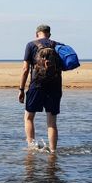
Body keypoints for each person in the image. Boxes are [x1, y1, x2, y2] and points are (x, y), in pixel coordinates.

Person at [18, 23, 62, 153]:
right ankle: (53, 152)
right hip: (55, 86)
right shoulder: (58, 45)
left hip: (36, 85)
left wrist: (21, 89)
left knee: (29, 117)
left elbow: (25, 69)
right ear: (49, 34)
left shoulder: (31, 45)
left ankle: (31, 147)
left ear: (37, 34)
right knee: (52, 122)